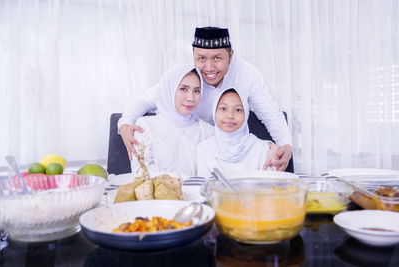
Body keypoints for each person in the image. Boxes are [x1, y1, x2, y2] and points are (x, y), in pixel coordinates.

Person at [119, 27, 292, 171]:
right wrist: (125, 124)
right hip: (199, 150)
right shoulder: (185, 78)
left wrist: (283, 144)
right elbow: (143, 101)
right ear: (193, 56)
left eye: (217, 58)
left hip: (222, 146)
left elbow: (271, 114)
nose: (209, 68)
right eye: (201, 59)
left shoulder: (248, 75)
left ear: (230, 56)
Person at [130, 64, 214, 177]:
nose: (191, 98)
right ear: (169, 90)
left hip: (198, 194)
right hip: (160, 194)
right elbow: (141, 171)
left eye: (197, 91)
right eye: (183, 89)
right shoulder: (145, 126)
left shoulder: (207, 131)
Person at [196, 88, 274, 177]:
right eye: (223, 108)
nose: (230, 115)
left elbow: (269, 186)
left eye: (238, 110)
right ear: (214, 112)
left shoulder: (261, 149)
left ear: (246, 114)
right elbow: (203, 188)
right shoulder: (204, 149)